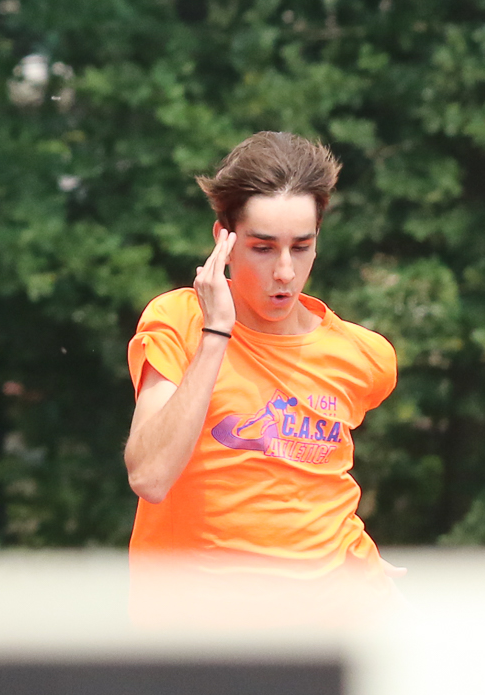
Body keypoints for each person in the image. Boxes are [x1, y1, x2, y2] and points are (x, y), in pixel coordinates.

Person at [123, 131, 396, 572]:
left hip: (332, 606)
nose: (285, 271)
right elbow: (150, 477)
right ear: (224, 241)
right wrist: (217, 333)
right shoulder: (179, 321)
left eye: (301, 247)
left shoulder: (365, 356)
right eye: (263, 248)